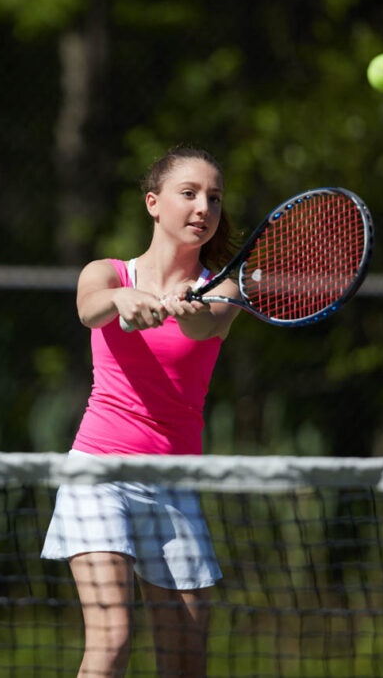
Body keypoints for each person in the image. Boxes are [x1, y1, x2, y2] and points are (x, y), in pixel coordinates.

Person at [41, 147, 242, 677]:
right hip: (98, 474)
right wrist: (122, 301)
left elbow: (202, 327)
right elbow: (90, 307)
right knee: (112, 639)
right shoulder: (105, 272)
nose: (204, 207)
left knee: (185, 663)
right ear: (153, 204)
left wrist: (189, 307)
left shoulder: (223, 289)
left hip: (174, 483)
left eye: (214, 198)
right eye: (189, 193)